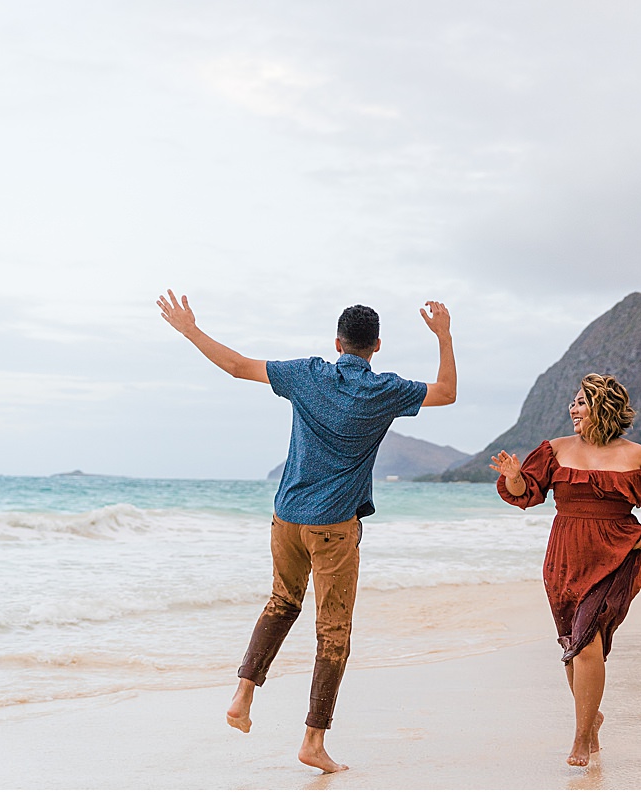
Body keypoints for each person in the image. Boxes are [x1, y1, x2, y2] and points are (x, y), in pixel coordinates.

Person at [157, 290, 457, 774]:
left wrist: (188, 329)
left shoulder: (307, 373)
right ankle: (313, 741)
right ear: (375, 346)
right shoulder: (386, 390)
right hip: (334, 527)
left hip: (286, 517)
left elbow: (236, 366)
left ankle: (242, 695)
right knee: (332, 631)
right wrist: (443, 336)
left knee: (281, 602)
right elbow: (446, 391)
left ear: (337, 342)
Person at [491, 372, 641, 766]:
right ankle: (590, 716)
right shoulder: (555, 450)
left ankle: (581, 738)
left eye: (581, 401)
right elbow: (526, 494)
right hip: (564, 557)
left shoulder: (636, 456)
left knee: (587, 639)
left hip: (615, 556)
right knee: (572, 645)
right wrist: (513, 478)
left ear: (602, 407)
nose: (572, 408)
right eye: (573, 401)